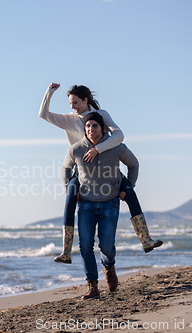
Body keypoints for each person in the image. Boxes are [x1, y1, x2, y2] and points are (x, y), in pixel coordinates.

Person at [39, 83, 162, 263]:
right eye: (70, 104)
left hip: (107, 170)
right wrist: (49, 93)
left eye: (75, 103)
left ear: (85, 100)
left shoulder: (101, 116)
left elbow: (119, 136)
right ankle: (66, 251)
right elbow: (43, 114)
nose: (72, 107)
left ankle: (146, 240)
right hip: (82, 172)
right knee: (70, 196)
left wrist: (98, 149)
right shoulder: (69, 120)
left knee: (130, 192)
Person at [63, 112, 137, 299]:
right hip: (86, 204)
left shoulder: (117, 148)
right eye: (87, 126)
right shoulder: (76, 149)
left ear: (102, 128)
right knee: (85, 246)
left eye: (94, 126)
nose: (90, 129)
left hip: (109, 203)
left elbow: (134, 164)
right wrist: (70, 190)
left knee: (107, 247)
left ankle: (109, 267)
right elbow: (66, 168)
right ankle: (92, 286)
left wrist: (128, 188)